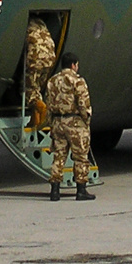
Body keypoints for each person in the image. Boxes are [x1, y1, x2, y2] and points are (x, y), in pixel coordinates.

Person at [45, 52, 94, 201]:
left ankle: (54, 191)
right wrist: (86, 120)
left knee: (59, 156)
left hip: (58, 122)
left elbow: (48, 104)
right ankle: (81, 190)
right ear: (74, 65)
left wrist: (50, 123)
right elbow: (83, 103)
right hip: (74, 123)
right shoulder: (77, 81)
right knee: (80, 156)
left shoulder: (52, 81)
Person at [25, 19, 56, 121]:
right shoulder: (43, 29)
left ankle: (42, 110)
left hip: (36, 61)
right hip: (50, 60)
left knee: (28, 89)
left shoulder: (27, 29)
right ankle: (35, 119)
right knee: (37, 87)